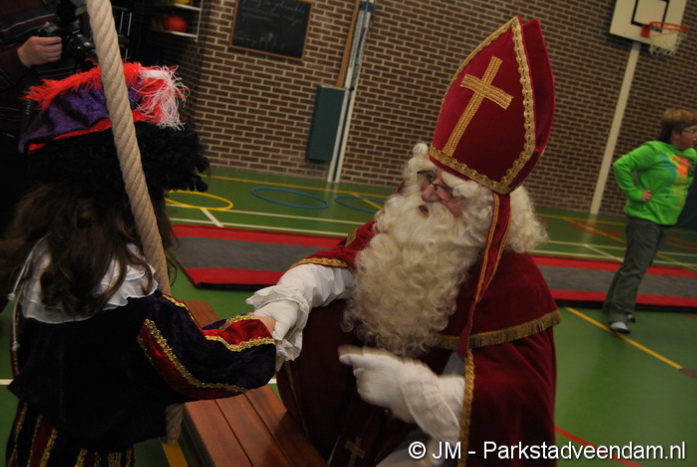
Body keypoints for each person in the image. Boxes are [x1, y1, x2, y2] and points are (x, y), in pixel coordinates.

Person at [250, 16, 558, 466]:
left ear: (486, 213)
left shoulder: (516, 286)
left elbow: (519, 407)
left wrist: (423, 395)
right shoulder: (412, 224)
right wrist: (289, 299)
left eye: (449, 191)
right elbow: (345, 266)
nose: (429, 193)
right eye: (427, 176)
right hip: (359, 427)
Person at [1, 63, 276, 466]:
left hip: (34, 436)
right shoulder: (114, 274)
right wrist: (267, 328)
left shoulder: (51, 246)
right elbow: (189, 364)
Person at [0, 0, 91, 238]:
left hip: (68, 139)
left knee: (57, 233)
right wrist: (22, 57)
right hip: (13, 145)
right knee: (12, 233)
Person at [603, 109, 697, 334]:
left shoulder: (691, 155)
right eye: (692, 131)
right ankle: (619, 313)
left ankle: (612, 304)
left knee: (635, 264)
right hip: (645, 218)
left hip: (666, 218)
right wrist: (634, 192)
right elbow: (621, 165)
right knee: (636, 267)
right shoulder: (653, 150)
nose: (696, 136)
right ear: (676, 133)